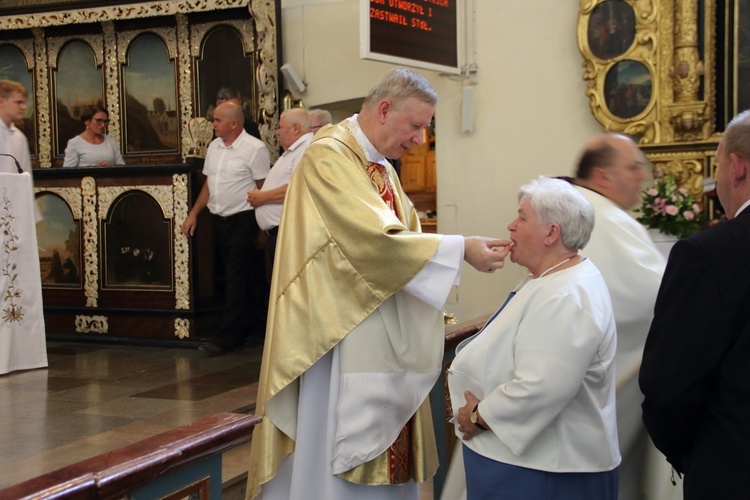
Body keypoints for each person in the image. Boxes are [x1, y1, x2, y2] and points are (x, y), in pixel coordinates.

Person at [245, 67, 510, 499]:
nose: (421, 139)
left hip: (376, 329)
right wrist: (461, 248)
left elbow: (402, 240)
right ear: (384, 109)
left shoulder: (379, 166)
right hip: (336, 334)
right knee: (334, 447)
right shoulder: (328, 155)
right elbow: (372, 242)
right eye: (417, 125)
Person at [449, 176, 620, 500]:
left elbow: (542, 386)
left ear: (551, 233)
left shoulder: (566, 295)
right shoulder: (547, 280)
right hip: (523, 463)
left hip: (546, 472)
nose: (511, 226)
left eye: (522, 218)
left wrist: (478, 416)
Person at [640, 110, 750, 498]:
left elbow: (668, 385)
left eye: (716, 165)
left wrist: (689, 455)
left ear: (736, 167)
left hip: (732, 468)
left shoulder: (709, 254)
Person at [570, 133, 666, 499]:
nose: (642, 176)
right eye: (632, 168)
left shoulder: (584, 209)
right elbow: (653, 300)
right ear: (603, 176)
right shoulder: (603, 219)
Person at [181, 101, 269, 355]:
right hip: (219, 221)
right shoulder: (214, 147)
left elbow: (264, 187)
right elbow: (210, 183)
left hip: (244, 219)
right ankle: (256, 328)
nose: (213, 124)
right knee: (245, 277)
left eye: (217, 120)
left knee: (235, 278)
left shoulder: (254, 149)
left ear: (234, 123)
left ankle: (228, 337)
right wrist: (194, 213)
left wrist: (262, 228)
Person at [247, 108, 313, 276]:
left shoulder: (306, 148)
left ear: (295, 128)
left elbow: (300, 187)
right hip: (281, 235)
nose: (277, 132)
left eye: (281, 127)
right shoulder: (293, 150)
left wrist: (262, 197)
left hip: (290, 235)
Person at [0, 80, 32, 174]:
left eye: (24, 102)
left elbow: (25, 176)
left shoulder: (19, 137)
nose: (24, 107)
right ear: (1, 102)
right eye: (18, 102)